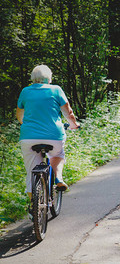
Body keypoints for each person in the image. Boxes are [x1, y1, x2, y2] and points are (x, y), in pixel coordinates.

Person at [16, 64, 80, 201]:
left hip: (29, 137)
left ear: (33, 79)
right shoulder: (56, 90)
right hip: (54, 136)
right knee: (58, 154)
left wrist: (28, 125)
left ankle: (34, 208)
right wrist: (74, 125)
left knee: (31, 171)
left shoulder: (25, 91)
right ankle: (58, 178)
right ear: (49, 78)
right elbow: (68, 113)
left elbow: (20, 116)